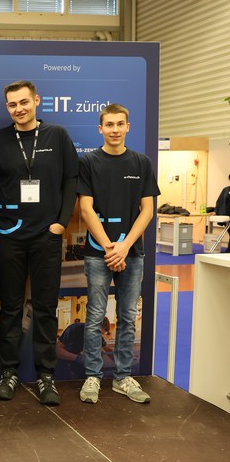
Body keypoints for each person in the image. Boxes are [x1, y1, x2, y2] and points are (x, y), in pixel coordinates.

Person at [0, 80, 78, 406]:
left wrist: (61, 224)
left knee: (45, 308)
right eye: (12, 104)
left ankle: (46, 376)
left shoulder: (57, 136)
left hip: (46, 237)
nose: (19, 109)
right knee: (10, 307)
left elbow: (71, 180)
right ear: (7, 107)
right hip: (9, 236)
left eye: (24, 102)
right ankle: (8, 373)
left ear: (36, 100)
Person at [77, 103, 159, 404]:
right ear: (100, 129)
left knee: (127, 315)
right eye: (109, 124)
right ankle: (93, 376)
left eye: (119, 124)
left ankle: (123, 377)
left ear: (128, 127)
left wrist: (124, 246)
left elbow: (147, 210)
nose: (114, 129)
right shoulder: (88, 162)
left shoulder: (141, 163)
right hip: (98, 253)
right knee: (95, 315)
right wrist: (109, 247)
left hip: (132, 253)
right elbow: (86, 209)